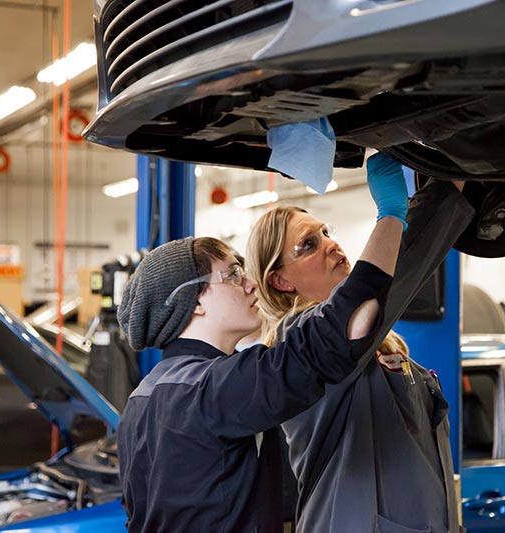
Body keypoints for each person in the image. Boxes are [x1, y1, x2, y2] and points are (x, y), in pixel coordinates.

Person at [116, 164, 407, 532]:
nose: (251, 284)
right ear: (193, 302)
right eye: (233, 275)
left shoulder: (140, 400)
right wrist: (393, 217)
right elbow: (343, 330)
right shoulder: (216, 389)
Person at [246, 153, 475, 533]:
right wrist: (398, 212)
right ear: (281, 281)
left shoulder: (382, 340)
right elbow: (384, 286)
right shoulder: (298, 344)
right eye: (307, 245)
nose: (330, 245)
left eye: (326, 232)